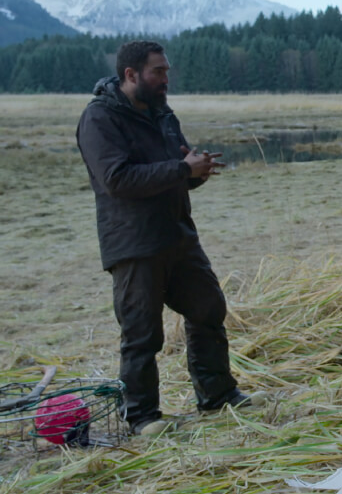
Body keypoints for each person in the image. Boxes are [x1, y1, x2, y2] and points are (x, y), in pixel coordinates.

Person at [76, 40, 264, 436]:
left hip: (178, 235)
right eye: (158, 71)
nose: (166, 78)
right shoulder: (99, 118)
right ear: (131, 74)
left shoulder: (162, 113)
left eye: (167, 70)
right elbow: (117, 180)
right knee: (142, 333)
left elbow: (176, 170)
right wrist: (181, 169)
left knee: (208, 309)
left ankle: (217, 396)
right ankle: (142, 417)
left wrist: (195, 172)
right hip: (133, 244)